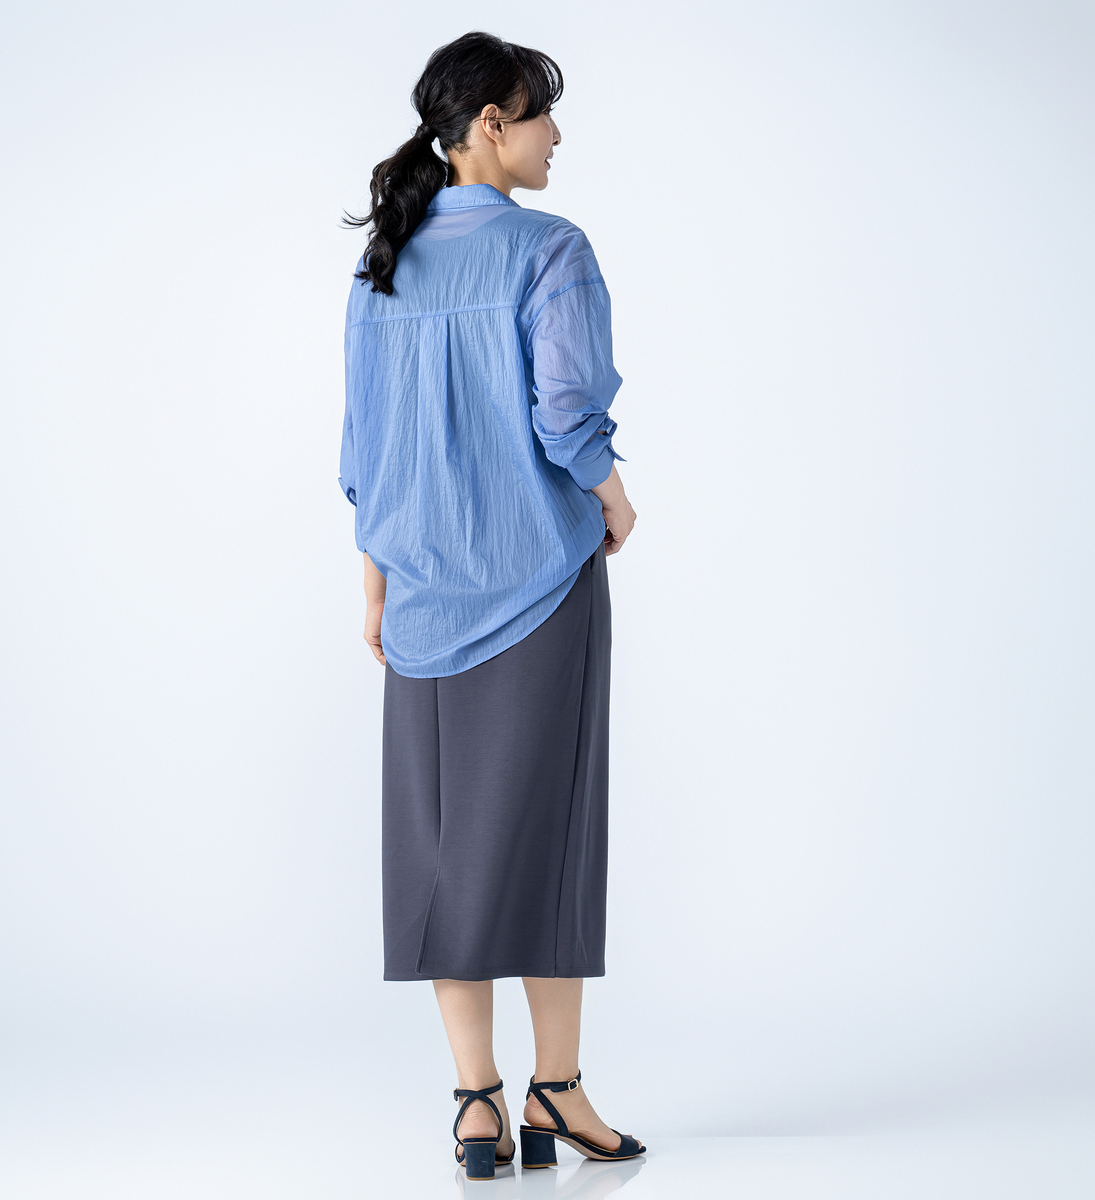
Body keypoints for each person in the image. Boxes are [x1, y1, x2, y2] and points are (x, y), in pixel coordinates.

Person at [338, 31, 643, 1181]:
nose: (557, 136)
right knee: (547, 834)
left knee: (440, 847)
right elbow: (567, 413)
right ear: (490, 125)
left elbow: (364, 443)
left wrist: (376, 582)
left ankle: (476, 1102)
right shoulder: (550, 248)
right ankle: (557, 1088)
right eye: (541, 113)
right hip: (538, 585)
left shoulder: (384, 264)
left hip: (417, 589)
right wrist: (613, 495)